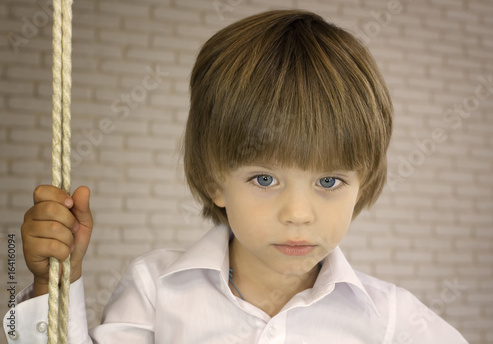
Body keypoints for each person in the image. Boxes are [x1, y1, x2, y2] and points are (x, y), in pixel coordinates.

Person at [3, 9, 468, 343]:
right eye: (264, 179)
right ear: (213, 179)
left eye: (329, 182)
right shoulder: (156, 289)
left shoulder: (391, 318)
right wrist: (51, 285)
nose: (299, 215)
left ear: (361, 184)